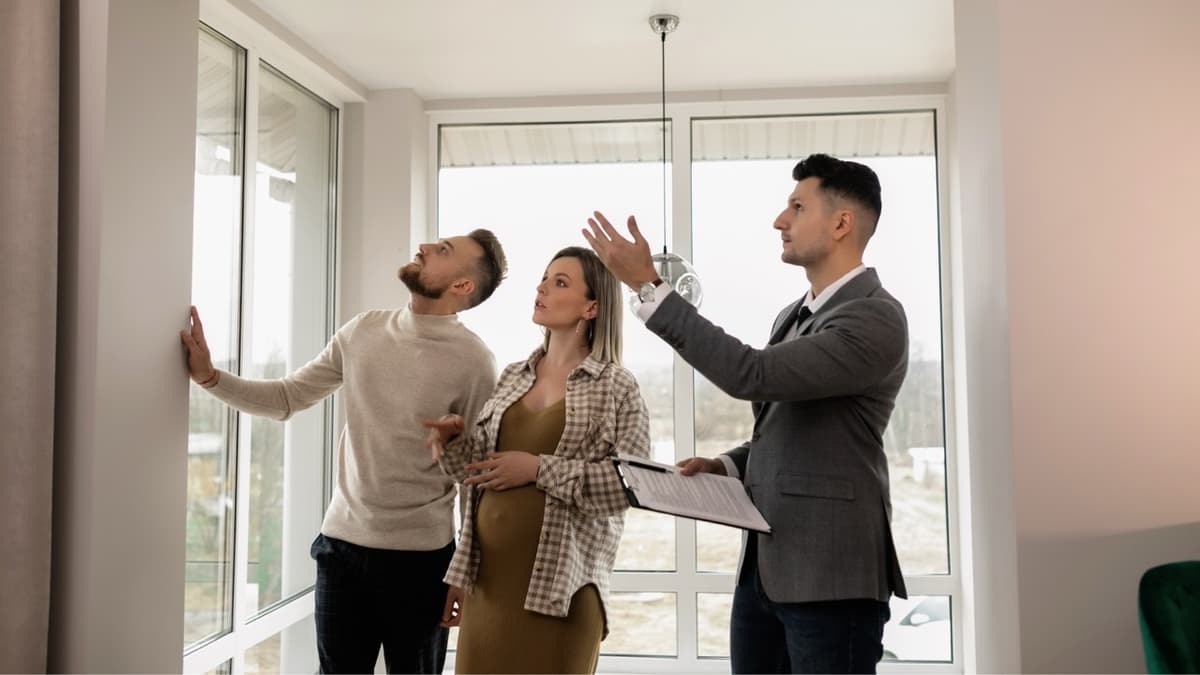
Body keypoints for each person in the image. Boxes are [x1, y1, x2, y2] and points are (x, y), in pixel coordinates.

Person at [583, 153, 909, 674]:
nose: (780, 220)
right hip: (764, 570)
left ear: (842, 222)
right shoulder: (794, 315)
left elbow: (750, 375)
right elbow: (792, 428)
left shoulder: (875, 317)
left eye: (797, 207)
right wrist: (728, 466)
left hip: (831, 577)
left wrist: (650, 287)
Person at [180, 230, 507, 674]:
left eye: (443, 251)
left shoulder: (474, 362)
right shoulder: (363, 330)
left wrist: (463, 575)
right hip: (341, 550)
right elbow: (288, 396)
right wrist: (210, 378)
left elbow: (474, 478)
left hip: (422, 561)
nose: (425, 247)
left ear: (462, 286)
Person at [423, 246, 650, 674]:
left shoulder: (617, 387)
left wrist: (537, 468)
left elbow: (631, 486)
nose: (542, 287)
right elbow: (476, 475)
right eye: (544, 278)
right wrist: (454, 444)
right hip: (487, 588)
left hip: (561, 596)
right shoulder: (513, 375)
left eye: (559, 282)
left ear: (592, 306)